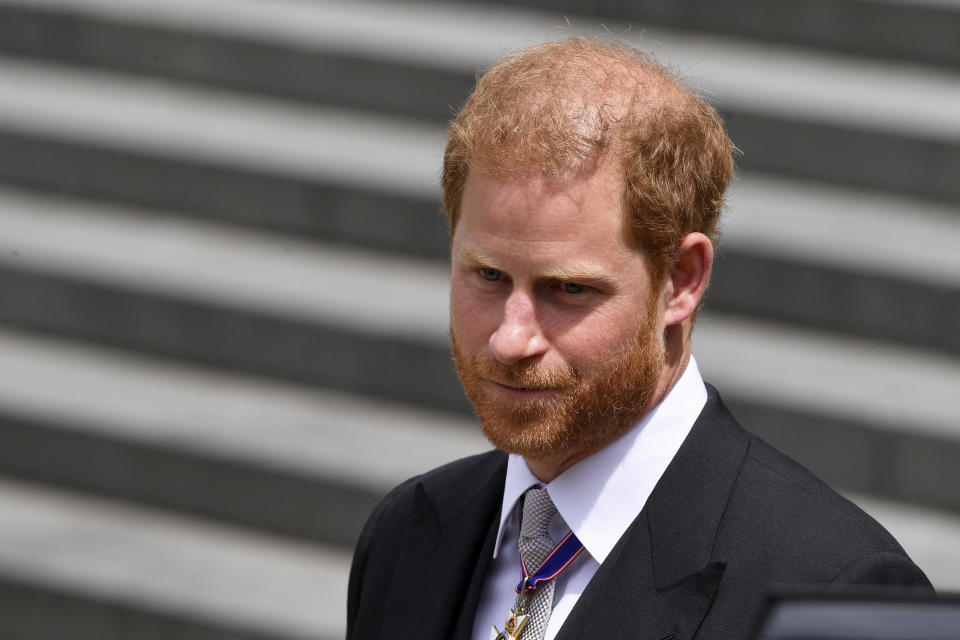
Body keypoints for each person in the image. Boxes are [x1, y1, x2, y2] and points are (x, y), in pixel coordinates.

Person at [345, 37, 930, 640]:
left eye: (568, 289)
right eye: (488, 276)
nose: (510, 340)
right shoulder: (407, 536)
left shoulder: (838, 591)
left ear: (681, 281)